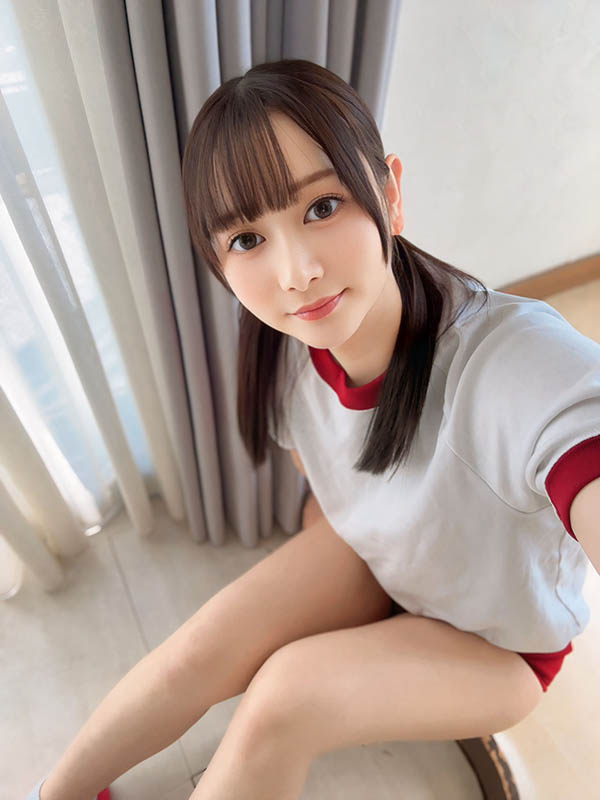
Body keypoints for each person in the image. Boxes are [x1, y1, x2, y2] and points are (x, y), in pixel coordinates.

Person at [29, 58, 600, 800]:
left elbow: (576, 433)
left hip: (499, 647)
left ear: (390, 194)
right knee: (198, 651)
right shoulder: (283, 350)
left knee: (284, 697)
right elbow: (331, 481)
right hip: (384, 563)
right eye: (247, 240)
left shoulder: (518, 364)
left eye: (323, 207)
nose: (296, 272)